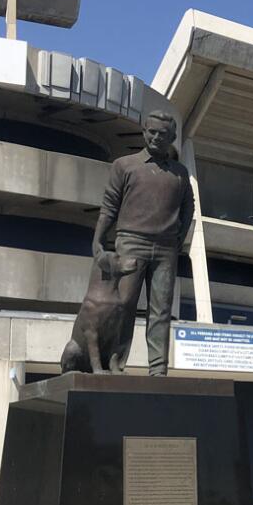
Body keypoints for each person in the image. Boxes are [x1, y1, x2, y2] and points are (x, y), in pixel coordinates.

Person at [92, 110, 194, 376]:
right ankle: (114, 362)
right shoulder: (125, 165)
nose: (157, 137)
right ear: (144, 131)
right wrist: (98, 240)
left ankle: (158, 369)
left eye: (163, 134)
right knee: (123, 305)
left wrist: (176, 241)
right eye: (152, 132)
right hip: (131, 242)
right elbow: (109, 205)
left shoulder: (180, 174)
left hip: (165, 249)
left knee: (160, 310)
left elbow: (188, 209)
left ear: (172, 137)